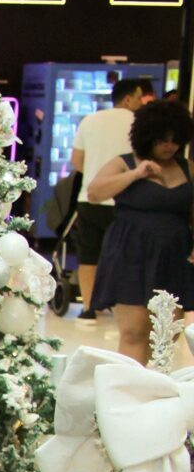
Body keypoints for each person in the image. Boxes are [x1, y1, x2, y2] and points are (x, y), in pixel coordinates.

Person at [86, 97, 194, 363]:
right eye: (162, 140)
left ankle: (153, 384)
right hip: (131, 252)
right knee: (134, 331)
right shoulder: (125, 163)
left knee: (166, 334)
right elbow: (95, 193)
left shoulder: (187, 168)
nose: (169, 146)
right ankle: (131, 384)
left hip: (174, 255)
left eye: (175, 140)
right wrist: (136, 175)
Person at [70, 76, 156, 319]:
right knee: (124, 257)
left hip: (90, 198)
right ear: (128, 99)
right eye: (139, 97)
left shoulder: (90, 120)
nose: (142, 102)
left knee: (88, 255)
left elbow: (77, 161)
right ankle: (121, 307)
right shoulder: (140, 124)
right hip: (126, 201)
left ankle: (88, 307)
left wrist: (99, 176)